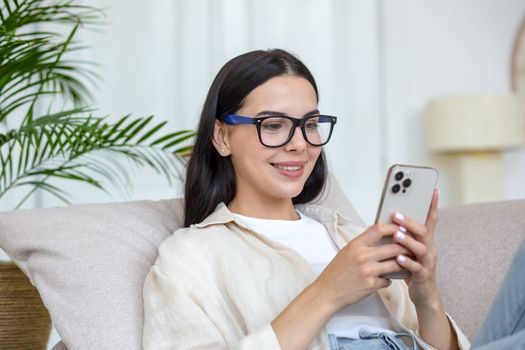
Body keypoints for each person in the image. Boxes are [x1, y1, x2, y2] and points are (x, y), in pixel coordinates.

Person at [142, 49, 524, 349]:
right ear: (222, 137)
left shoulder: (355, 236)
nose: (299, 144)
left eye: (309, 125)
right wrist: (327, 292)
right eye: (273, 125)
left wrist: (426, 296)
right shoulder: (190, 258)